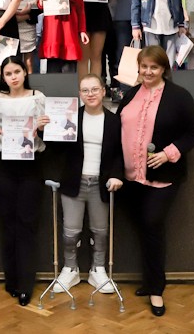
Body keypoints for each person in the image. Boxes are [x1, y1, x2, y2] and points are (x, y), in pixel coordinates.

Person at [116, 45, 194, 317]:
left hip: (162, 178)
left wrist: (168, 154)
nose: (148, 71)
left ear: (164, 68)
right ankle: (149, 280)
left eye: (154, 67)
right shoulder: (130, 94)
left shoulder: (179, 96)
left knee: (152, 225)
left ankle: (156, 289)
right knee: (143, 229)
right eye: (144, 66)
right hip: (130, 179)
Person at [0, 56, 50, 306]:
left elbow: (53, 130)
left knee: (27, 224)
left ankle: (25, 284)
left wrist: (43, 127)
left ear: (25, 72)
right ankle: (11, 280)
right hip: (3, 165)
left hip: (31, 164)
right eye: (8, 74)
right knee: (7, 224)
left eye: (17, 72)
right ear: (3, 77)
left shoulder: (38, 98)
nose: (13, 77)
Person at [49, 74, 123, 294]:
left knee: (100, 231)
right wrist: (46, 129)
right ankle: (70, 269)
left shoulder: (114, 120)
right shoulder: (71, 117)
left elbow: (120, 152)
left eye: (94, 89)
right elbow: (56, 149)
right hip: (74, 182)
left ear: (103, 91)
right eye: (85, 90)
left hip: (101, 184)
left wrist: (117, 175)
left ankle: (97, 269)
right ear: (80, 94)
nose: (90, 94)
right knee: (70, 231)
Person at [10, 0, 42, 73]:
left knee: (29, 60)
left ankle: (30, 82)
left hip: (28, 24)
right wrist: (17, 13)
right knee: (14, 59)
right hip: (13, 24)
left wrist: (27, 14)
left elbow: (40, 7)